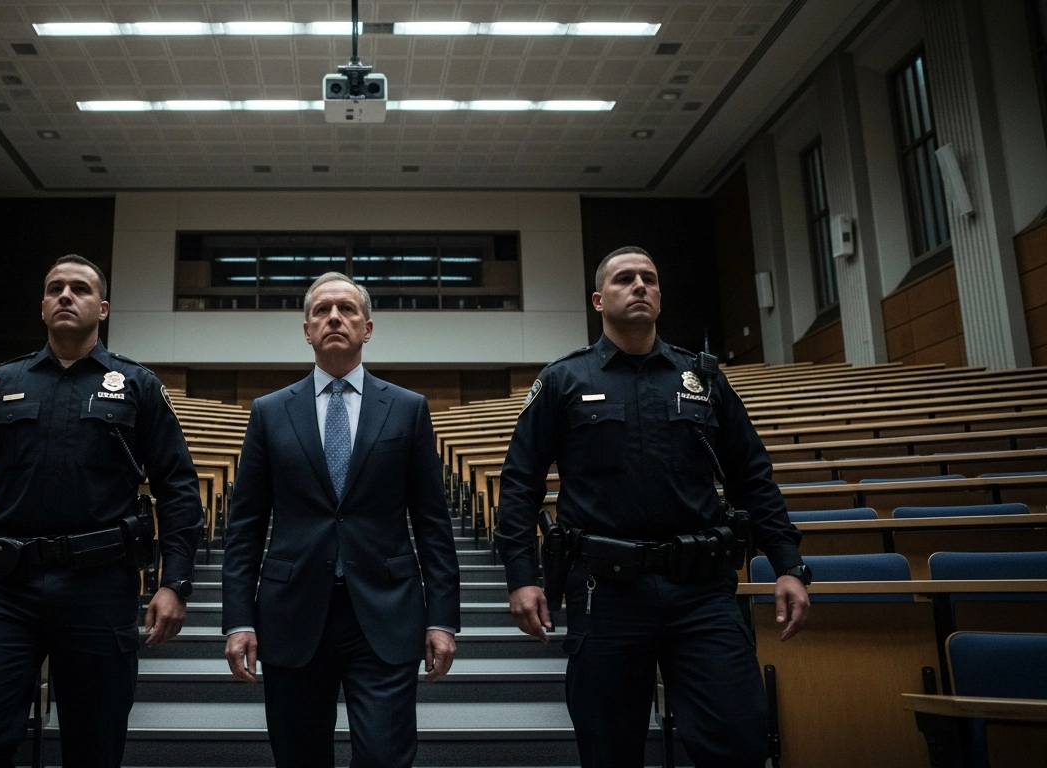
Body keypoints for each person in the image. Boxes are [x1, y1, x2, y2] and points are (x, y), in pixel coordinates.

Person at [496, 246, 811, 768]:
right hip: (606, 595)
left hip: (702, 592)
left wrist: (786, 563)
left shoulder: (704, 379)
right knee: (609, 750)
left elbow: (751, 475)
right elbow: (520, 483)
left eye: (649, 279)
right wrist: (520, 575)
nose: (639, 285)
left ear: (660, 297)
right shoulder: (563, 380)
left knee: (739, 741)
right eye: (624, 279)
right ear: (599, 300)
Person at [0, 254, 202, 768]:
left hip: (99, 589)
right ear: (42, 307)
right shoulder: (1, 384)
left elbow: (177, 488)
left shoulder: (138, 386)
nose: (66, 295)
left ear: (104, 308)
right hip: (5, 588)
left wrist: (173, 583)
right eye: (55, 289)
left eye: (80, 289)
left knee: (94, 749)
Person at [221, 272, 461, 768]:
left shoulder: (408, 408)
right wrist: (238, 619)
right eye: (323, 310)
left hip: (385, 609)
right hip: (291, 613)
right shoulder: (268, 412)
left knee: (385, 757)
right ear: (306, 329)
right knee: (299, 758)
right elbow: (244, 527)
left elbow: (433, 523)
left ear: (367, 329)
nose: (335, 317)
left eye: (348, 309)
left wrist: (442, 618)